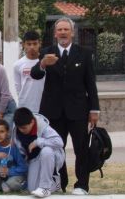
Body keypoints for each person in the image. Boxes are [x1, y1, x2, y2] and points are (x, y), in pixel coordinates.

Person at [30, 17, 99, 195]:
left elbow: (90, 83)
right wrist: (44, 63)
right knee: (54, 149)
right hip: (53, 111)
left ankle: (82, 185)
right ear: (55, 33)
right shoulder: (47, 52)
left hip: (77, 110)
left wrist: (94, 109)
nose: (62, 33)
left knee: (81, 148)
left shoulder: (83, 53)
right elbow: (35, 74)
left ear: (72, 32)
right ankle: (59, 182)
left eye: (65, 30)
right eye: (59, 30)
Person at [12, 107, 64, 198]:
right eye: (19, 128)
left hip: (51, 155)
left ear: (32, 122)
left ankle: (45, 188)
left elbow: (59, 142)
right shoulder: (16, 131)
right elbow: (22, 152)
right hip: (34, 158)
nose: (22, 130)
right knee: (32, 189)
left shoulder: (42, 126)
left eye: (24, 128)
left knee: (46, 151)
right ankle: (54, 184)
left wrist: (38, 142)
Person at [13, 31, 44, 113]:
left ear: (39, 44)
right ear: (23, 44)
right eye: (29, 44)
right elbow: (18, 87)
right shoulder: (18, 64)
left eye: (35, 44)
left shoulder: (45, 62)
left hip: (44, 105)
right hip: (25, 106)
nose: (32, 47)